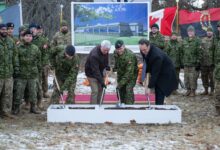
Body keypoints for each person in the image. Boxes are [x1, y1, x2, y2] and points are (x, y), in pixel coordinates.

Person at [139, 38, 178, 105]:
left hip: (166, 74)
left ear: (148, 46)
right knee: (157, 89)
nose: (143, 52)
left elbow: (155, 74)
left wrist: (149, 87)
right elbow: (146, 61)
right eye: (141, 50)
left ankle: (159, 108)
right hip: (158, 71)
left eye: (144, 50)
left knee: (160, 90)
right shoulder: (144, 50)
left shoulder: (156, 56)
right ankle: (158, 106)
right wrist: (144, 74)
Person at [12, 29, 41, 115]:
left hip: (32, 75)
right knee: (18, 93)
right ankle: (16, 108)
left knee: (33, 93)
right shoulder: (18, 48)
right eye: (27, 36)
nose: (28, 38)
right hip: (21, 75)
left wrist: (38, 71)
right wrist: (17, 70)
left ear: (32, 37)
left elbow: (38, 61)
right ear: (23, 37)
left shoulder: (35, 48)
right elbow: (15, 60)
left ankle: (33, 108)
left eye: (30, 36)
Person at [0, 24, 17, 119]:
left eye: (5, 29)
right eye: (2, 29)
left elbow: (15, 56)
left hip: (8, 73)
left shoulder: (11, 42)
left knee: (8, 94)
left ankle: (6, 112)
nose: (5, 31)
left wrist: (16, 68)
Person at [113, 40, 138, 104]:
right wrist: (114, 69)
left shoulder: (130, 56)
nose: (119, 51)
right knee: (120, 90)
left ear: (124, 46)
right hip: (121, 74)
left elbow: (129, 73)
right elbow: (116, 62)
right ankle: (122, 104)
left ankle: (130, 106)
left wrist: (120, 84)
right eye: (117, 49)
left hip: (131, 75)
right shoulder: (115, 52)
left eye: (120, 48)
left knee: (128, 89)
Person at [182, 25, 202, 97]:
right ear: (187, 32)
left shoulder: (197, 40)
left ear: (194, 32)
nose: (190, 32)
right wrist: (182, 61)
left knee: (192, 78)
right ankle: (188, 90)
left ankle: (193, 91)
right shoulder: (185, 40)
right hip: (186, 63)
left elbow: (200, 52)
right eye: (189, 31)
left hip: (194, 64)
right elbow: (182, 51)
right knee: (186, 78)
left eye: (191, 31)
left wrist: (198, 62)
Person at [200, 27, 215, 95]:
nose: (209, 32)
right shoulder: (203, 40)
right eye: (208, 31)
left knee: (212, 77)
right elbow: (200, 50)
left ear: (212, 32)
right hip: (204, 62)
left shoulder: (215, 40)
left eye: (210, 31)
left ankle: (212, 90)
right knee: (204, 76)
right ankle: (206, 90)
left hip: (212, 62)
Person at [214, 21, 220, 115]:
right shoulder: (216, 39)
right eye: (219, 27)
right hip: (218, 68)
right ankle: (218, 109)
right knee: (218, 91)